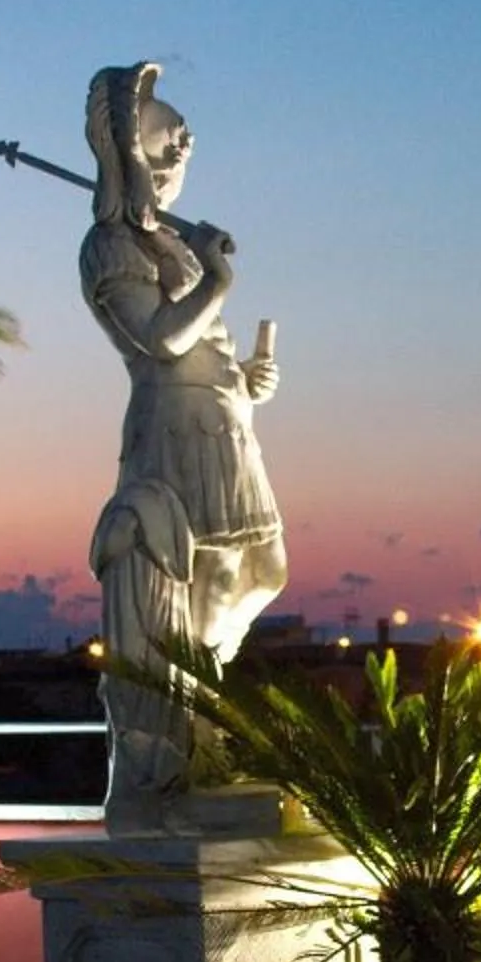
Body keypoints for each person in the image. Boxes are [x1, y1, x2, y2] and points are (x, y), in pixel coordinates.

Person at [79, 62, 286, 828]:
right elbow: (163, 341)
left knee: (261, 569)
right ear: (129, 152)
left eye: (182, 152)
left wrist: (244, 383)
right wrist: (219, 284)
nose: (176, 163)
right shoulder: (109, 246)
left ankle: (199, 719)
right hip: (172, 431)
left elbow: (207, 353)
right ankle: (177, 744)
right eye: (164, 147)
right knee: (200, 578)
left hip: (223, 428)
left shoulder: (170, 239)